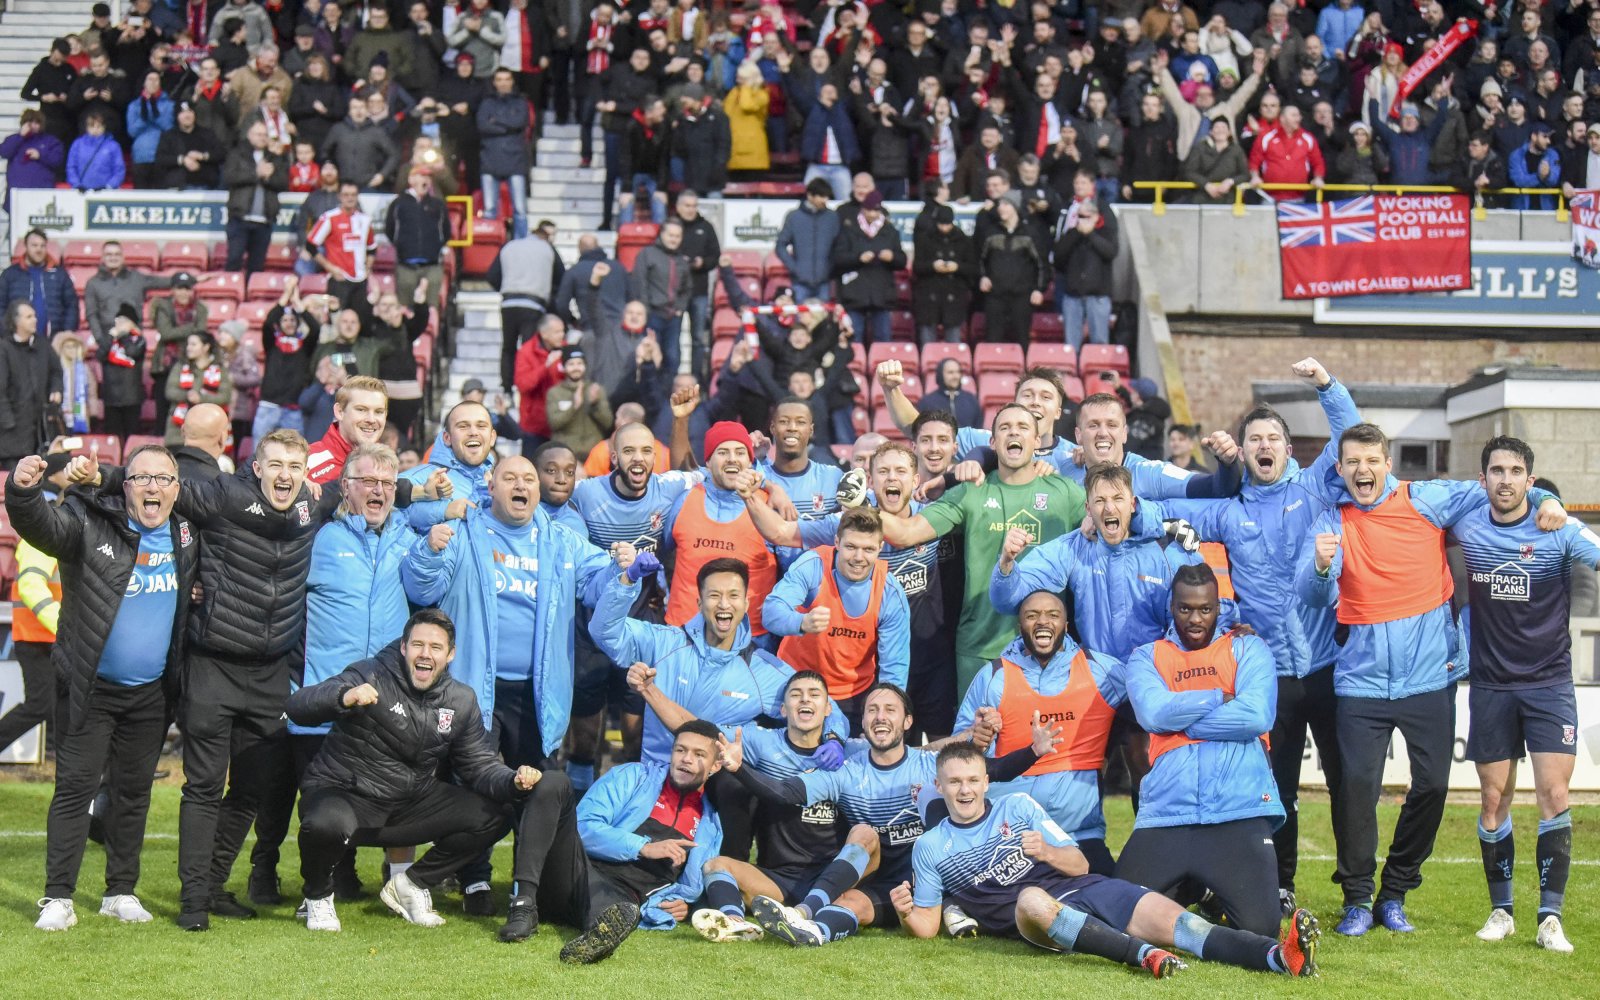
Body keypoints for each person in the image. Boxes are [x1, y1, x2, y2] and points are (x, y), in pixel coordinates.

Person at [1298, 423, 1566, 937]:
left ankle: (1395, 892)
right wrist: (1319, 566)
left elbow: (1500, 486)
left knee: (1433, 787)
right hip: (1360, 684)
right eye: (1351, 462)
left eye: (1371, 460)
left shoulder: (1427, 499)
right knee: (1355, 792)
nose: (1362, 470)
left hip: (1429, 679)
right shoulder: (1331, 518)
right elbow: (1309, 596)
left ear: (1387, 462)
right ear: (1340, 469)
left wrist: (1547, 496)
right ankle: (1357, 900)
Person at [1150, 358, 1357, 911]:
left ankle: (1358, 893)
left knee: (1348, 785)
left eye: (1273, 437)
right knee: (1279, 791)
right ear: (1242, 453)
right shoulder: (1228, 511)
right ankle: (1282, 886)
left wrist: (1326, 386)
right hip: (1271, 677)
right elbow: (1165, 510)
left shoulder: (1316, 488)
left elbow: (1351, 436)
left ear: (1289, 449)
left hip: (1329, 666)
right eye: (1254, 439)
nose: (1264, 445)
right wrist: (1111, 508)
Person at [897, 743, 1320, 978]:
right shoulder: (931, 846)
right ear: (940, 785)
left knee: (1186, 926)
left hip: (1082, 887)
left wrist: (1045, 851)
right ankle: (1141, 955)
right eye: (954, 782)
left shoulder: (1019, 806)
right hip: (1034, 918)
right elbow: (927, 925)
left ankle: (1279, 958)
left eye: (973, 779)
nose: (965, 790)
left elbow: (1080, 865)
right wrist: (904, 913)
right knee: (1030, 897)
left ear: (987, 781)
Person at [401, 454, 616, 914]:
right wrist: (429, 549)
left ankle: (528, 889)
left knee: (536, 788)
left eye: (528, 480)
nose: (522, 486)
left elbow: (598, 584)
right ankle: (474, 880)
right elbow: (421, 590)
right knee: (472, 788)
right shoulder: (464, 532)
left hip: (539, 692)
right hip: (477, 688)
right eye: (510, 479)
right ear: (491, 488)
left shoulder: (561, 540)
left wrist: (623, 571)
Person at [13, 446, 198, 933]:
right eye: (141, 478)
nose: (153, 487)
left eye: (164, 479)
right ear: (126, 485)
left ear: (178, 490)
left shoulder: (187, 535)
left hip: (151, 695)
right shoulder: (90, 521)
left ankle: (120, 890)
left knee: (133, 795)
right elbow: (40, 528)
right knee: (74, 792)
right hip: (88, 688)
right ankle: (57, 897)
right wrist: (23, 491)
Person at [717, 682, 1041, 945]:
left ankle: (808, 920)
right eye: (872, 709)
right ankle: (808, 924)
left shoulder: (929, 765)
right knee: (855, 879)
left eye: (890, 710)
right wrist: (739, 768)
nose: (880, 716)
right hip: (875, 880)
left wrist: (1034, 751)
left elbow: (993, 770)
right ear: (863, 722)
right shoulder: (846, 771)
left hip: (923, 882)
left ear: (907, 722)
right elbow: (784, 792)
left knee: (856, 889)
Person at [287, 610, 543, 933]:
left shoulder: (461, 700)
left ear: (450, 655)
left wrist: (513, 779)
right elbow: (298, 705)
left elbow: (479, 766)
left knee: (497, 813)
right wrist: (343, 696)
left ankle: (410, 884)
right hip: (347, 794)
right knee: (324, 824)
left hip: (408, 803)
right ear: (404, 647)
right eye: (418, 644)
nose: (426, 653)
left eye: (435, 648)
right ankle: (318, 896)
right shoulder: (370, 674)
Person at [246, 443, 423, 905]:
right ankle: (271, 874)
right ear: (345, 487)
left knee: (376, 794)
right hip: (323, 694)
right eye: (368, 481)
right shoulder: (318, 538)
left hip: (384, 697)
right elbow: (278, 590)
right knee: (309, 799)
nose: (378, 491)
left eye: (387, 483)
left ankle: (357, 878)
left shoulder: (410, 537)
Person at [1456, 438, 1600, 953]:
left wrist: (1555, 506)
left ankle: (1550, 918)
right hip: (1491, 685)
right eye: (1496, 470)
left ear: (1530, 481)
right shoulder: (1468, 524)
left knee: (1555, 796)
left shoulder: (1556, 528)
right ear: (1483, 480)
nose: (1505, 479)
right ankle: (1502, 911)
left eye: (1516, 471)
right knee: (1494, 798)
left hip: (1549, 683)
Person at [1116, 564, 1283, 936]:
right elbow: (1153, 714)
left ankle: (1204, 886)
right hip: (1167, 813)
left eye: (1205, 609)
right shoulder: (1146, 657)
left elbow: (1256, 715)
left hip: (1239, 809)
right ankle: (1195, 887)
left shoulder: (1248, 648)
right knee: (1119, 919)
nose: (1195, 618)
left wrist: (1184, 724)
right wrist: (1217, 697)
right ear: (1171, 608)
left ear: (1218, 607)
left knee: (1260, 930)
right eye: (1185, 609)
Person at [878, 405, 1087, 694]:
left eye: (1023, 427)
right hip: (979, 647)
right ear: (992, 443)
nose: (1013, 431)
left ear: (1037, 441)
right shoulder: (970, 492)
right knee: (975, 737)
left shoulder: (1065, 493)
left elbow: (1107, 526)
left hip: (1047, 648)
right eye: (1004, 427)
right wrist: (857, 508)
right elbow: (906, 533)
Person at [954, 590, 1125, 872]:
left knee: (1113, 902)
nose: (1042, 621)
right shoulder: (994, 676)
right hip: (1010, 836)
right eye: (1031, 616)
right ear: (1020, 627)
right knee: (1011, 909)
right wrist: (977, 740)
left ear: (1066, 626)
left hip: (1080, 835)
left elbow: (1148, 703)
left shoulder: (1100, 670)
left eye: (1053, 615)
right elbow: (957, 755)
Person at [553, 719, 727, 961]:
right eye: (680, 750)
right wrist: (643, 847)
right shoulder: (632, 777)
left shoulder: (711, 823)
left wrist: (687, 908)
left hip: (629, 899)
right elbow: (582, 827)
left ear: (716, 764)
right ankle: (600, 927)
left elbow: (695, 883)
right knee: (602, 894)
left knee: (623, 907)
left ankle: (601, 933)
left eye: (699, 754)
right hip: (580, 872)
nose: (686, 759)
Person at [765, 506, 911, 730]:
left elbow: (895, 667)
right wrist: (801, 622)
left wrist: (882, 715)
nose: (859, 558)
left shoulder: (889, 592)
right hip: (796, 683)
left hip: (852, 695)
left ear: (881, 547)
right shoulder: (813, 566)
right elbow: (771, 611)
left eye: (868, 549)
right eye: (851, 547)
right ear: (837, 542)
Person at [661, 420, 784, 640]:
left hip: (750, 640)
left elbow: (792, 569)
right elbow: (661, 553)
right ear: (707, 461)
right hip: (683, 636)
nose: (732, 459)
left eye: (739, 452)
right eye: (722, 452)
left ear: (750, 460)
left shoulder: (770, 506)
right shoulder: (685, 500)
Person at [0, 448, 72, 760]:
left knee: (63, 704)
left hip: (45, 636)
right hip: (38, 636)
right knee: (41, 705)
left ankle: (67, 762)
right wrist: (62, 624)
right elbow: (30, 585)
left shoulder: (50, 529)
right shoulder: (44, 534)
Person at [490, 230, 561, 396]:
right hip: (534, 303)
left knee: (508, 347)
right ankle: (527, 385)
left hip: (508, 303)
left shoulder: (509, 246)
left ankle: (507, 388)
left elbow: (492, 275)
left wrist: (505, 288)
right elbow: (559, 276)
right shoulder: (547, 249)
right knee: (529, 348)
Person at [830, 190, 905, 345]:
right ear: (862, 209)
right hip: (855, 293)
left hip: (882, 294)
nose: (872, 214)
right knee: (854, 339)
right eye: (869, 210)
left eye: (876, 210)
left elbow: (901, 260)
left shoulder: (890, 232)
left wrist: (892, 257)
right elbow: (838, 258)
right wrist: (858, 258)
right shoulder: (848, 230)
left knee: (883, 339)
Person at [0, 302, 65, 471]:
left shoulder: (43, 345)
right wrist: (8, 423)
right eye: (29, 316)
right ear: (16, 321)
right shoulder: (4, 349)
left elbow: (56, 372)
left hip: (41, 429)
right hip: (12, 435)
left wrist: (56, 389)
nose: (35, 320)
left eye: (35, 316)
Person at [223, 121, 288, 277]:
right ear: (249, 135)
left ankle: (251, 297)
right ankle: (232, 294)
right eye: (259, 134)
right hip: (240, 218)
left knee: (257, 266)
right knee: (234, 260)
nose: (262, 138)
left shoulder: (274, 157)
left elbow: (283, 183)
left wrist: (267, 177)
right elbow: (229, 177)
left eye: (265, 135)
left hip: (264, 221)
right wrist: (256, 174)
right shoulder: (237, 153)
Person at [478, 67, 533, 238]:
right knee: (489, 209)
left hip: (515, 160)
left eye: (506, 79)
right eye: (499, 79)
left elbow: (520, 122)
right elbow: (482, 125)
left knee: (520, 209)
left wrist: (496, 121)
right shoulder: (486, 103)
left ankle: (521, 246)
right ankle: (491, 244)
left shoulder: (521, 102)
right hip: (489, 159)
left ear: (512, 81)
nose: (503, 83)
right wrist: (508, 126)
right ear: (494, 82)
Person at [911, 205, 977, 346]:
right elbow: (917, 267)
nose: (944, 228)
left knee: (953, 338)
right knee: (927, 339)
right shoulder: (924, 239)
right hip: (929, 294)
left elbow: (972, 268)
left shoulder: (964, 240)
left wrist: (957, 267)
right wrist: (933, 266)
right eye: (941, 224)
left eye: (947, 224)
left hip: (954, 293)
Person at [384, 167, 448, 309]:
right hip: (405, 265)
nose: (425, 180)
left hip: (432, 266)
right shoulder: (399, 203)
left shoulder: (437, 204)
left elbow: (446, 231)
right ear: (411, 180)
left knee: (431, 308)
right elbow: (390, 229)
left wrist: (436, 247)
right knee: (404, 308)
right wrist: (402, 246)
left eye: (428, 178)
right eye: (421, 176)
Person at [308, 180, 377, 310]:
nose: (350, 198)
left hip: (360, 280)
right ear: (339, 196)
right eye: (346, 195)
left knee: (359, 322)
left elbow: (372, 248)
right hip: (339, 280)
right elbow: (310, 245)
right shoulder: (329, 218)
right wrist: (330, 268)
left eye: (353, 195)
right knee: (337, 320)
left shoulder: (365, 220)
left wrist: (368, 267)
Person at [0, 229, 78, 340]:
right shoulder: (10, 274)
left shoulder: (60, 274)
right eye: (34, 245)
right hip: (16, 343)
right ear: (26, 246)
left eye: (42, 246)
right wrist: (8, 333)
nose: (39, 249)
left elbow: (72, 306)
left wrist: (64, 336)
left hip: (52, 342)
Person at [775, 179, 841, 302]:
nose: (825, 200)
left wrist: (829, 269)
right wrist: (795, 268)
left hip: (824, 282)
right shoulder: (794, 217)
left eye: (826, 196)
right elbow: (780, 246)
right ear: (809, 195)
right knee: (800, 319)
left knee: (822, 319)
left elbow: (838, 246)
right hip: (800, 282)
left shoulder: (832, 217)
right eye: (821, 196)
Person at [163, 332, 233, 446]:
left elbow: (225, 396)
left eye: (193, 344)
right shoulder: (180, 366)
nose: (188, 348)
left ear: (206, 347)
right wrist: (187, 396)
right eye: (188, 344)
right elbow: (170, 391)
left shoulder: (220, 370)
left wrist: (201, 398)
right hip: (178, 430)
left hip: (208, 428)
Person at [546, 348, 614, 461]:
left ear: (585, 366)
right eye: (571, 364)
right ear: (564, 366)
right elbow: (554, 423)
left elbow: (608, 423)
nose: (576, 368)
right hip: (566, 453)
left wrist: (595, 404)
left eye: (579, 363)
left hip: (593, 454)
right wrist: (574, 406)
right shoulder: (555, 392)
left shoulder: (596, 389)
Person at [1, 109, 66, 212]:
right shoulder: (13, 139)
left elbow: (57, 160)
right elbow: (4, 152)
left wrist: (40, 155)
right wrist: (20, 137)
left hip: (41, 193)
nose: (33, 126)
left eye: (37, 123)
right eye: (30, 122)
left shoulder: (51, 141)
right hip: (17, 193)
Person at [65, 111, 125, 190]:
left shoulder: (113, 146)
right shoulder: (77, 145)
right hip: (81, 192)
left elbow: (119, 169)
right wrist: (76, 184)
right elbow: (71, 167)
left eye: (99, 126)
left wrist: (109, 186)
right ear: (87, 127)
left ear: (104, 127)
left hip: (107, 193)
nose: (95, 129)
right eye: (92, 126)